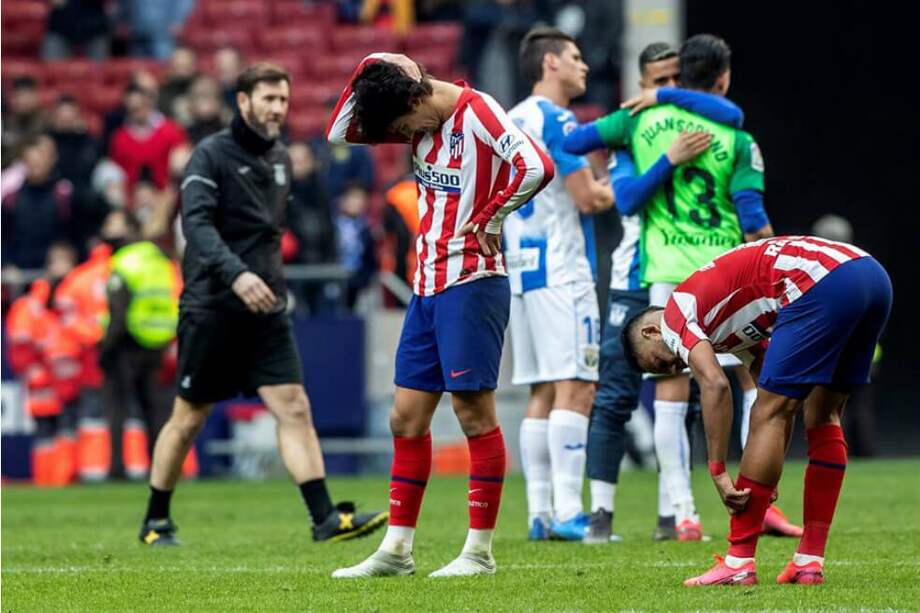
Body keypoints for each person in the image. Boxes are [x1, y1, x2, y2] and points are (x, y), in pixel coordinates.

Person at [138, 62, 387, 546]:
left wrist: (270, 284)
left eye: (283, 100)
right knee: (189, 418)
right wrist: (237, 274)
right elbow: (198, 229)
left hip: (266, 308)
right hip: (211, 307)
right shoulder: (208, 157)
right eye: (268, 99)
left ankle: (325, 519)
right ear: (244, 101)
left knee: (294, 406)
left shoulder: (280, 160)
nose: (277, 108)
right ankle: (155, 520)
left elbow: (269, 236)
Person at [326, 52, 553, 578]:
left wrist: (492, 215)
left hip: (472, 284)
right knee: (404, 418)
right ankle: (397, 551)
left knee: (474, 414)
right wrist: (377, 61)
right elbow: (341, 132)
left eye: (404, 125)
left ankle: (479, 552)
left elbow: (537, 165)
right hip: (426, 288)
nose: (405, 136)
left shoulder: (480, 111)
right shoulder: (414, 113)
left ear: (417, 99)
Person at [564, 33, 773, 542]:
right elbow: (748, 213)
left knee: (679, 392)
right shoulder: (733, 133)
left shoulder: (641, 120)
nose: (669, 86)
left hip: (666, 271)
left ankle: (682, 512)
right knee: (744, 380)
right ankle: (737, 501)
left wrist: (652, 108)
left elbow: (574, 142)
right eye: (660, 82)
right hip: (717, 270)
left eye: (676, 80)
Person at [621, 236, 892, 586]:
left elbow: (716, 385)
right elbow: (783, 402)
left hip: (822, 280)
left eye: (662, 362)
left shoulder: (674, 316)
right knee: (822, 414)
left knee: (766, 412)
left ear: (651, 331)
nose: (675, 367)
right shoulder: (728, 325)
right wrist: (766, 476)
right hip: (870, 275)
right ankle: (808, 563)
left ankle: (739, 563)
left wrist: (718, 471)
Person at [502, 27, 613, 543]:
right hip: (564, 269)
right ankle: (571, 512)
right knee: (578, 385)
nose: (584, 66)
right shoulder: (558, 118)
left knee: (544, 389)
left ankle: (540, 513)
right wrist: (628, 174)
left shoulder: (512, 117)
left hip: (524, 268)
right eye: (575, 57)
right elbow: (588, 199)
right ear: (550, 64)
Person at [97, 210, 178, 480]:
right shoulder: (158, 259)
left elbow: (119, 312)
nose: (108, 230)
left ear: (130, 230)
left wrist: (107, 347)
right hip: (157, 342)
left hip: (126, 345)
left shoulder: (125, 262)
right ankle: (160, 468)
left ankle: (117, 469)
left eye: (113, 224)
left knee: (117, 409)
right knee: (154, 410)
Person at [6, 243, 81, 486]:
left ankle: (66, 478)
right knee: (46, 432)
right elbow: (20, 344)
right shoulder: (31, 304)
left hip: (73, 376)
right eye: (57, 262)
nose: (61, 269)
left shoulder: (74, 299)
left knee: (70, 430)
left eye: (66, 263)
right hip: (45, 378)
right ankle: (48, 481)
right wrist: (35, 366)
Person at [2, 135, 75, 270]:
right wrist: (6, 264)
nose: (35, 167)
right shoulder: (11, 199)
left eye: (39, 162)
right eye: (30, 162)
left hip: (55, 271)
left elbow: (73, 235)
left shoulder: (63, 196)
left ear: (50, 161)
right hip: (18, 274)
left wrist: (65, 258)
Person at [108, 79, 188, 192]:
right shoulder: (119, 138)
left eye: (141, 106)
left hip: (167, 196)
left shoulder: (171, 131)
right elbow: (116, 174)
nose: (138, 111)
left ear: (150, 102)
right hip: (132, 199)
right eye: (133, 109)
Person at [335, 184, 378, 309]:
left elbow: (370, 257)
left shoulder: (365, 227)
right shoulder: (332, 224)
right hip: (335, 277)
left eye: (360, 199)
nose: (357, 203)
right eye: (353, 198)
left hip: (358, 280)